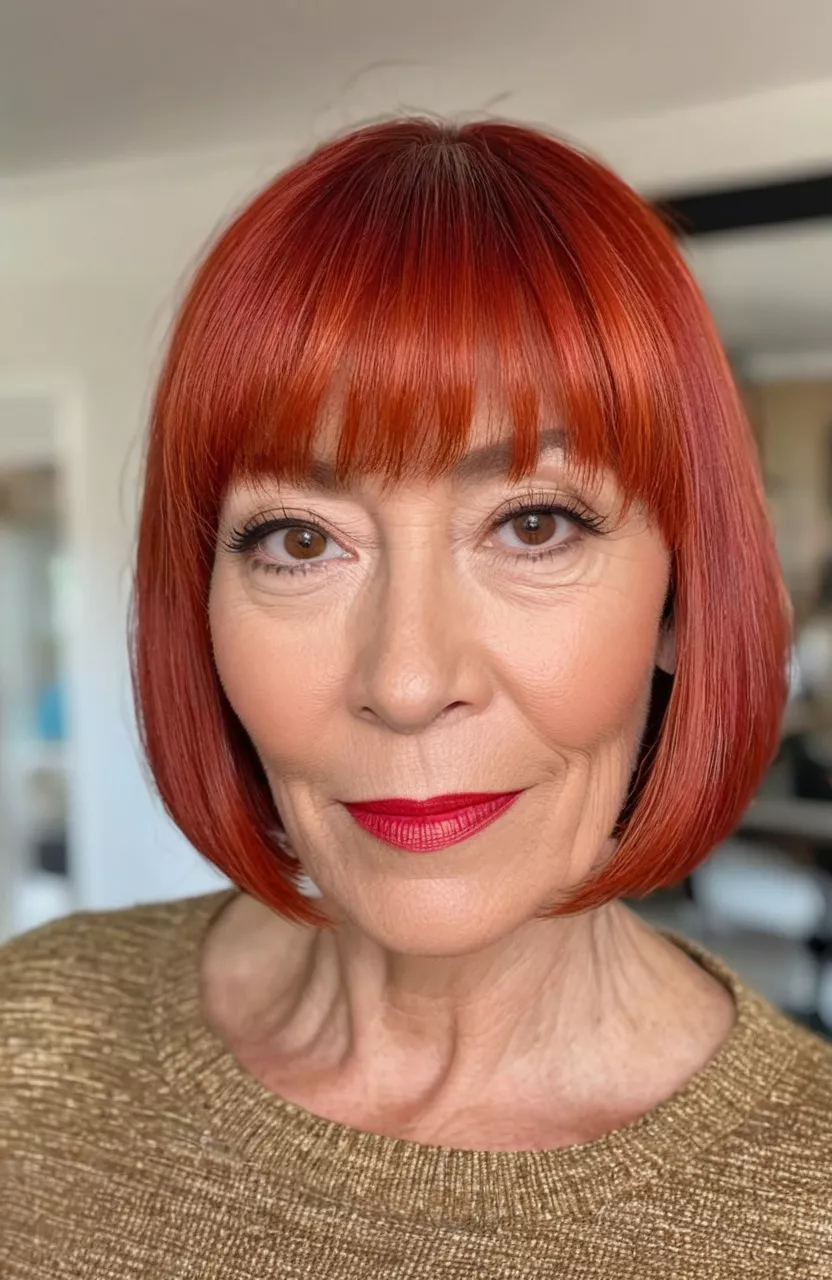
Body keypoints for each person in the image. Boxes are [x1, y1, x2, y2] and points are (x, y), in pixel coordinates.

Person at [1, 117, 830, 1279]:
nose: (405, 679)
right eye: (298, 537)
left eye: (533, 523)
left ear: (683, 598)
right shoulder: (27, 1042)